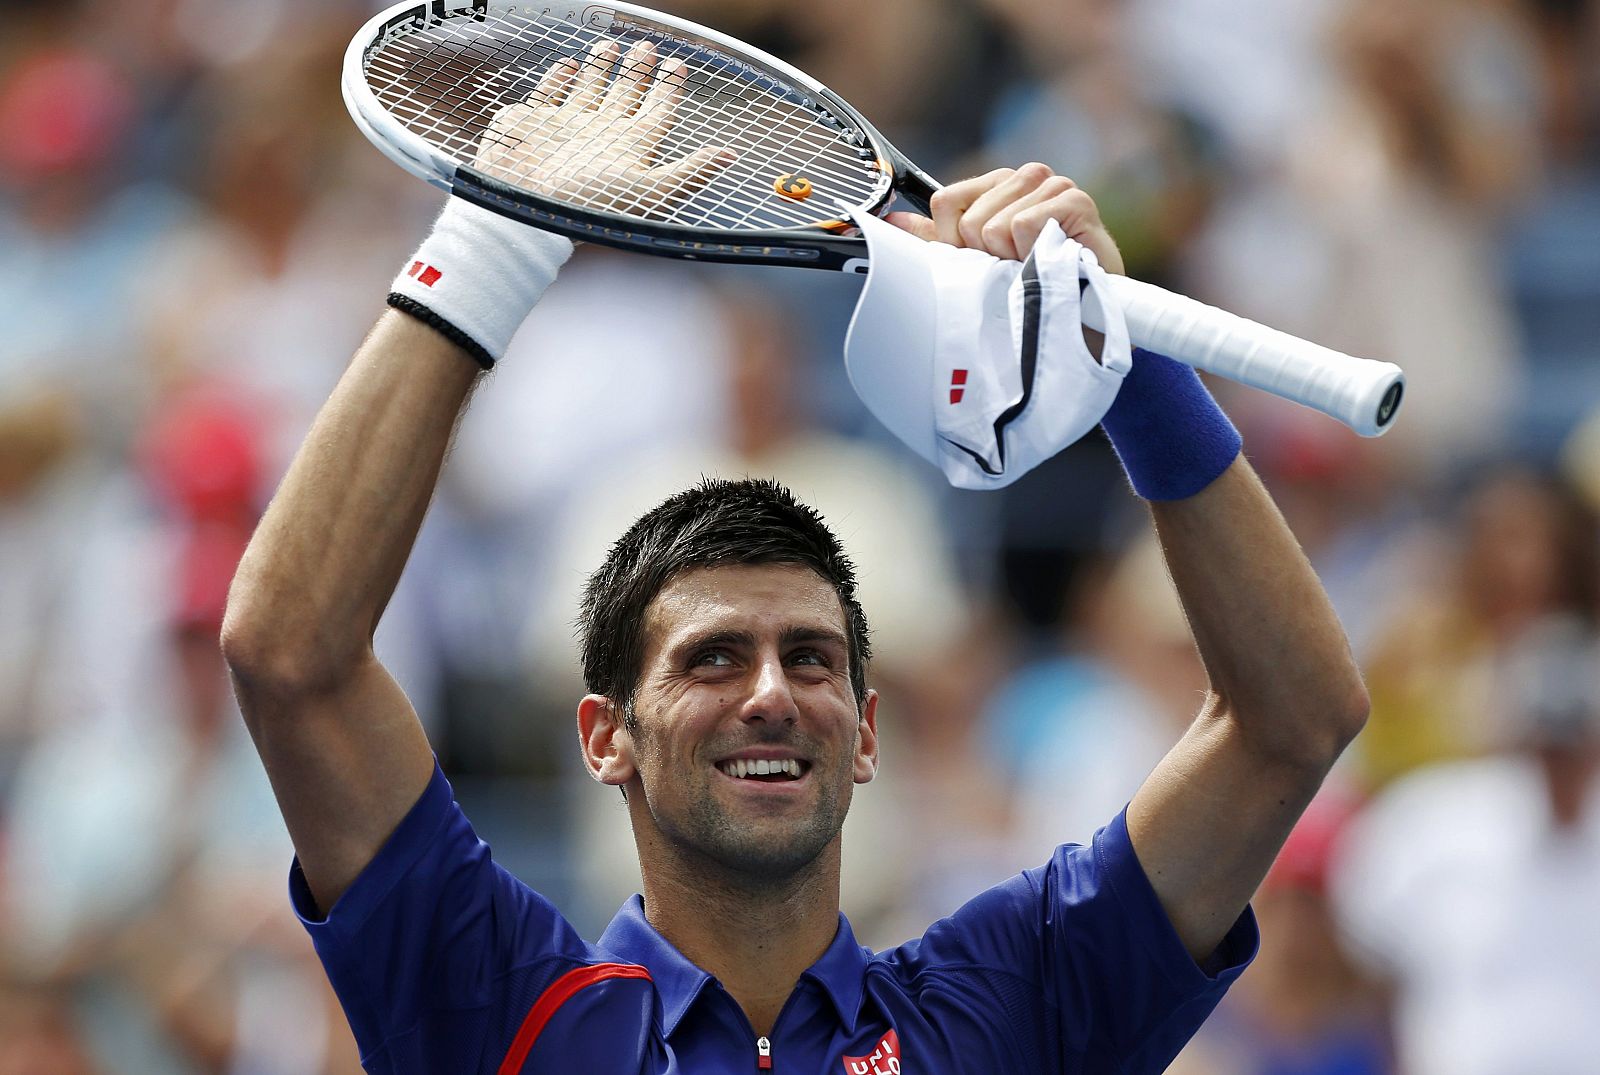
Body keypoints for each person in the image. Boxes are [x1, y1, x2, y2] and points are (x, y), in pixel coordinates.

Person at [222, 41, 1370, 1074]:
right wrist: (501, 232)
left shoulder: (1013, 1003)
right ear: (603, 734)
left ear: (866, 730)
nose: (772, 693)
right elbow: (289, 657)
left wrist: (1119, 347)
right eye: (713, 657)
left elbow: (1292, 718)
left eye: (812, 658)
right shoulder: (499, 1007)